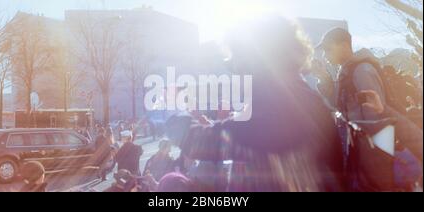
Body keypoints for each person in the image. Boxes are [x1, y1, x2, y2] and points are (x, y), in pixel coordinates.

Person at [166, 16, 344, 192]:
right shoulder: (302, 97)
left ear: (256, 59)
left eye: (235, 58)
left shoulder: (279, 103)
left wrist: (174, 114)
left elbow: (210, 141)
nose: (233, 68)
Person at [317, 27, 423, 191]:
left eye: (328, 49)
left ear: (344, 45)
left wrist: (378, 159)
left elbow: (377, 117)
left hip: (372, 150)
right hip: (362, 147)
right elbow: (340, 106)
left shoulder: (362, 71)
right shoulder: (346, 71)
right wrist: (323, 79)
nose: (325, 55)